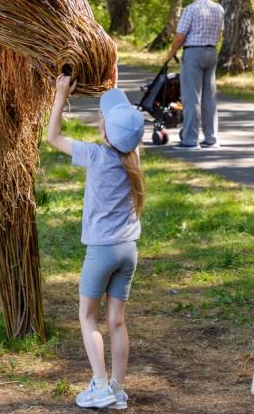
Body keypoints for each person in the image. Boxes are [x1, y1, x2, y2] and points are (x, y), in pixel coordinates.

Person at [46, 74, 145, 410]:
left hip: (102, 251)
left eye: (103, 119)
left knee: (88, 317)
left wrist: (61, 95)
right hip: (128, 250)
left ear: (104, 131)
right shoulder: (134, 157)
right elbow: (124, 129)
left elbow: (53, 136)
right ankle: (118, 389)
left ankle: (100, 385)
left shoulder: (94, 155)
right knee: (117, 320)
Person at [165, 0, 224, 149]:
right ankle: (211, 138)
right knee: (209, 97)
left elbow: (180, 36)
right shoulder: (218, 9)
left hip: (194, 53)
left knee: (191, 97)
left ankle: (190, 140)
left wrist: (171, 53)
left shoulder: (191, 9)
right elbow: (219, 34)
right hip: (211, 52)